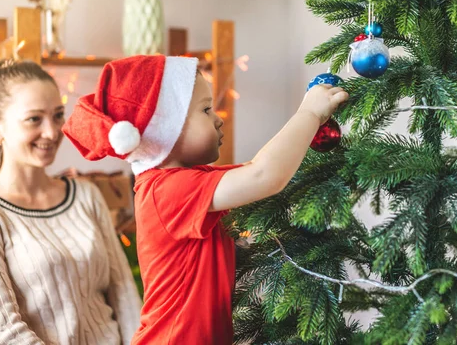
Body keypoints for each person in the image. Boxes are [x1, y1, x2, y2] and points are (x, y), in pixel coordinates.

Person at [62, 55, 348, 344]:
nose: (218, 118)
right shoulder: (167, 190)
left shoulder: (189, 179)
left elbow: (258, 172)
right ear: (164, 128)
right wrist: (309, 114)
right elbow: (264, 175)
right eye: (206, 109)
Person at [0, 59, 141, 344]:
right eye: (34, 119)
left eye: (57, 116)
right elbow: (4, 332)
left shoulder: (85, 195)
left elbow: (124, 295)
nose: (52, 132)